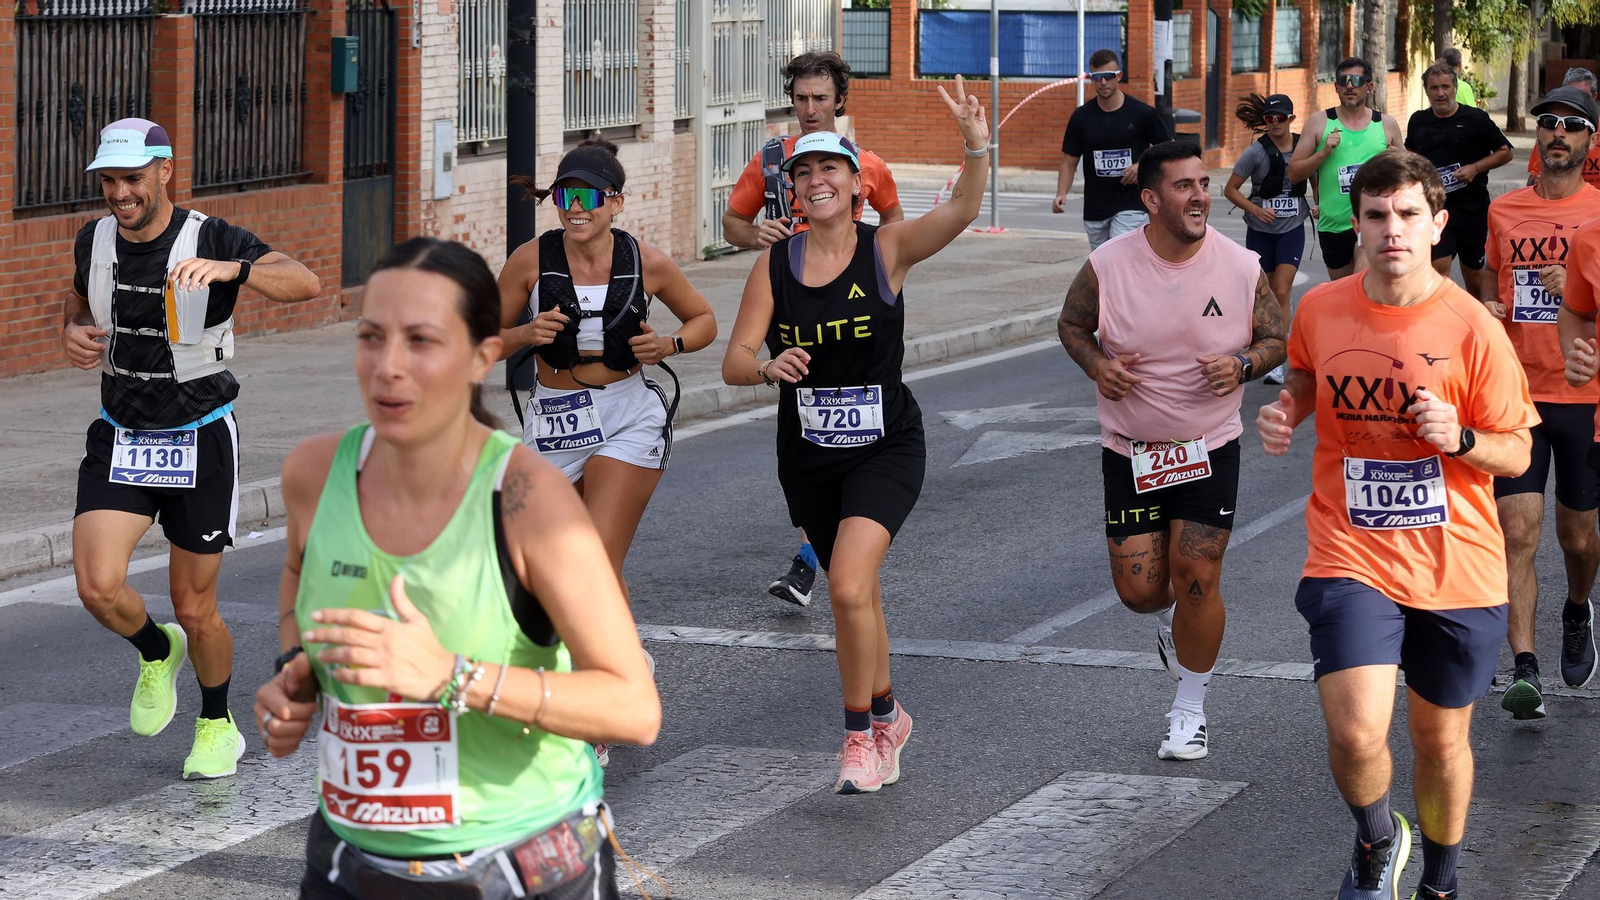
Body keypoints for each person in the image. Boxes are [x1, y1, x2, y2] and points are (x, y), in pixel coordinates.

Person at [258, 237, 661, 899]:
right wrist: (297, 671)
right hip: (349, 862)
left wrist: (451, 676)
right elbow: (300, 575)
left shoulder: (529, 502)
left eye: (421, 341)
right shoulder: (314, 472)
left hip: (517, 868)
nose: (388, 367)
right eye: (370, 336)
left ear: (482, 358)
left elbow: (633, 708)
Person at [1259, 149, 1537, 900]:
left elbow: (1516, 453)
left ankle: (1441, 882)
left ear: (1437, 223)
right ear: (1359, 224)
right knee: (1355, 733)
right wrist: (1290, 410)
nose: (1392, 231)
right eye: (1376, 215)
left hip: (1457, 565)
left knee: (1440, 740)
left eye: (1409, 215)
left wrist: (1463, 439)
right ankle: (1380, 838)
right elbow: (1306, 374)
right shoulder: (1321, 307)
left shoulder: (1474, 328)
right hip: (1351, 550)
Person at [720, 77, 989, 794]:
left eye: (828, 168)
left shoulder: (888, 249)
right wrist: (767, 365)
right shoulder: (774, 265)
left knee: (844, 583)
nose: (815, 181)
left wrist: (974, 145)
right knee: (858, 595)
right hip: (808, 455)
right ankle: (891, 714)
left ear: (855, 182)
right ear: (793, 190)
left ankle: (858, 740)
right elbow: (732, 362)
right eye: (802, 172)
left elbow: (964, 207)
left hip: (886, 445)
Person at [61, 117, 319, 779]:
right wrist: (75, 332)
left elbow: (304, 282)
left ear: (164, 171)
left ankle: (215, 722)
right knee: (96, 586)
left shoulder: (209, 235)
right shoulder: (94, 239)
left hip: (198, 437)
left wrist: (238, 268)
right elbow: (77, 302)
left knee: (196, 606)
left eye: (133, 178)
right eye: (110, 180)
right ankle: (155, 651)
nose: (121, 192)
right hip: (120, 433)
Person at [1058, 139, 1287, 762]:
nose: (1200, 197)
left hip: (1209, 446)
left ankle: (1189, 708)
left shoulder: (1240, 267)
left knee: (1197, 579)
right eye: (1184, 187)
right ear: (1151, 199)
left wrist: (1241, 364)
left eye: (1204, 184)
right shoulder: (1108, 264)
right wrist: (1099, 366)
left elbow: (1276, 339)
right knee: (1140, 591)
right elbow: (1072, 326)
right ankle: (1176, 627)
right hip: (1132, 449)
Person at [499, 139, 715, 766]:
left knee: (591, 561)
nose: (574, 208)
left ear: (614, 202)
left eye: (588, 197)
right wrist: (522, 334)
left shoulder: (645, 260)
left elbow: (704, 320)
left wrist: (669, 346)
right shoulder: (528, 262)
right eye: (564, 196)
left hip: (627, 416)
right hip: (554, 420)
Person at [719, 50, 904, 609]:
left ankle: (818, 560)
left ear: (839, 100)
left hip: (849, 306)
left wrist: (868, 257)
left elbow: (894, 222)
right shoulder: (773, 162)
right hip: (791, 302)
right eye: (800, 99)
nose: (810, 109)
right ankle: (821, 552)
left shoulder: (864, 163)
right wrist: (760, 238)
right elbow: (732, 223)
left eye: (820, 99)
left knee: (849, 424)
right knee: (811, 420)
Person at [1483, 86, 1600, 715]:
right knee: (1516, 532)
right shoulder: (1506, 211)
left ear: (1590, 142)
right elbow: (1490, 280)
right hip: (1516, 397)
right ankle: (1525, 666)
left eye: (1572, 126)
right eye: (1548, 123)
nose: (1558, 133)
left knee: (1578, 539)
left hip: (1584, 397)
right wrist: (1490, 309)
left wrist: (1576, 288)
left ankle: (1578, 609)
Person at [1225, 93, 1314, 385]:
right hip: (1260, 230)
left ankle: (1277, 357)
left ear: (1291, 119)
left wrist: (1319, 203)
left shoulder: (1304, 146)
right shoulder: (1256, 152)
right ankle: (1277, 328)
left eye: (1280, 118)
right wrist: (1255, 208)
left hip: (1292, 228)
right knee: (1267, 295)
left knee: (1282, 289)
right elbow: (1231, 190)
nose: (1274, 124)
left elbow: (1317, 181)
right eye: (1269, 119)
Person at [1404, 60, 1513, 298]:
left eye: (1445, 87)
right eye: (1434, 88)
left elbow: (1506, 151)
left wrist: (1475, 168)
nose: (1440, 93)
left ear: (1455, 88)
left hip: (1471, 207)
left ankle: (1478, 321)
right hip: (1434, 208)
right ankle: (1442, 321)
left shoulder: (1475, 118)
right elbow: (1411, 154)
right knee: (1438, 269)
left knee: (1474, 278)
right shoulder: (1418, 120)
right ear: (1427, 91)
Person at [1289, 57, 1403, 280]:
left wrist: (1398, 158)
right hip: (1333, 225)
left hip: (1373, 220)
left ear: (1369, 86)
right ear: (1336, 87)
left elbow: (1410, 174)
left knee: (1362, 281)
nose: (1350, 85)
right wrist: (1322, 154)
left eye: (1356, 80)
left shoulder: (1385, 124)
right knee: (1343, 291)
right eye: (1344, 80)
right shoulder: (1319, 122)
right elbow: (1294, 173)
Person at [1053, 48, 1173, 250]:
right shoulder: (1081, 117)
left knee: (1118, 252)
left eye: (1108, 76)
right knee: (1102, 262)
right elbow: (1069, 161)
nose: (1103, 82)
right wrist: (1061, 193)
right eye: (1097, 77)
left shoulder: (1141, 113)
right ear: (1090, 78)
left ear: (1119, 76)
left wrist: (1142, 166)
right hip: (1095, 206)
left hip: (1131, 203)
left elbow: (1168, 148)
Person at [1529, 68, 1600, 189]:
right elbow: (1532, 179)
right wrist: (1536, 181)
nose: (1559, 133)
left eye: (1574, 124)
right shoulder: (1550, 135)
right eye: (1570, 93)